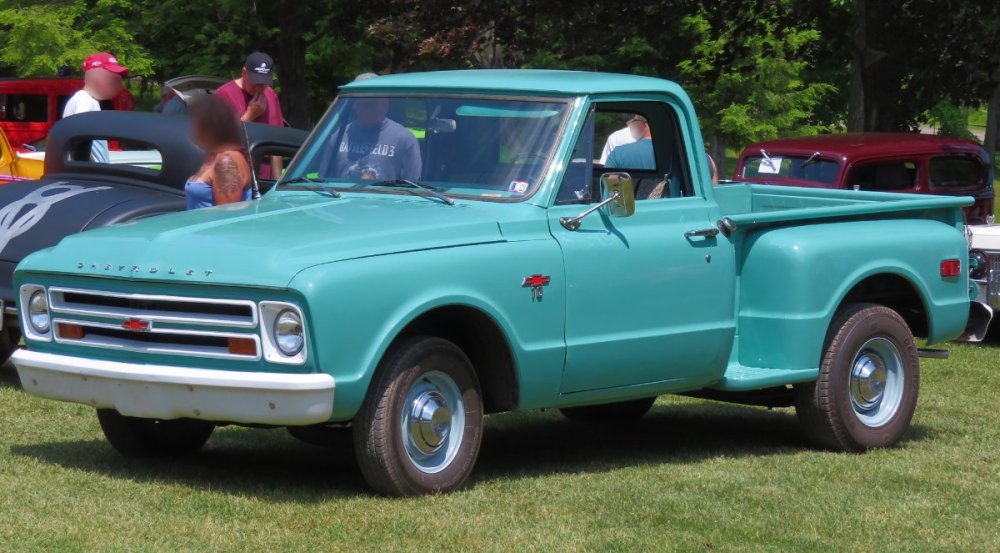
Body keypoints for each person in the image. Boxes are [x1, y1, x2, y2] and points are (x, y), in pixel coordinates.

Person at [214, 52, 283, 178]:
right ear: (244, 72)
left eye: (263, 84)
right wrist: (250, 115)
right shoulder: (223, 95)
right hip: (235, 176)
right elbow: (220, 143)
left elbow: (277, 144)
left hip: (265, 178)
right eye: (255, 83)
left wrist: (276, 184)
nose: (259, 89)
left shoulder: (270, 95)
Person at [184, 96, 253, 210]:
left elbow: (225, 216)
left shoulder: (227, 162)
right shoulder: (214, 156)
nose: (192, 129)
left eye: (195, 124)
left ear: (210, 127)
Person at [329, 97, 421, 181]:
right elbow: (323, 181)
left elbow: (413, 187)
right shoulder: (339, 136)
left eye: (372, 104)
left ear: (385, 106)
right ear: (355, 105)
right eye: (361, 103)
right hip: (341, 196)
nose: (366, 109)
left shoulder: (404, 139)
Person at [62, 52, 129, 163]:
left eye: (118, 79)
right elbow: (79, 144)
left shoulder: (85, 99)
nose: (117, 83)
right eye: (112, 78)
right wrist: (92, 170)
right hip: (89, 176)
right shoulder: (86, 101)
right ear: (94, 77)